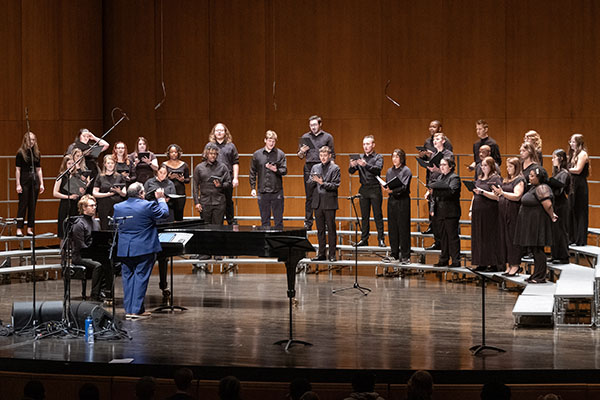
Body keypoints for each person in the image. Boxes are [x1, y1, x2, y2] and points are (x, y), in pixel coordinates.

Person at [113, 182, 169, 319]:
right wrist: (161, 199)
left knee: (128, 279)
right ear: (141, 194)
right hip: (144, 248)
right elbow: (164, 214)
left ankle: (130, 310)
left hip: (125, 249)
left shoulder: (118, 207)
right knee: (140, 278)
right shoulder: (147, 205)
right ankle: (136, 311)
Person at [514, 167, 557, 284]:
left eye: (532, 176)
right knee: (535, 249)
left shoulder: (542, 188)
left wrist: (552, 215)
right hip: (531, 223)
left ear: (539, 177)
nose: (529, 177)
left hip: (537, 223)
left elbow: (547, 204)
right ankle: (536, 274)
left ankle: (540, 276)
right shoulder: (535, 188)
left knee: (538, 250)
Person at [145, 164, 177, 300]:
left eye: (165, 173)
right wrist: (157, 198)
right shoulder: (149, 182)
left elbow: (175, 198)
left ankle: (164, 284)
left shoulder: (170, 183)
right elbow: (145, 197)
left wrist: (166, 199)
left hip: (166, 216)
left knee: (164, 254)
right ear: (156, 172)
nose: (162, 175)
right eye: (160, 172)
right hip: (153, 216)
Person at [298, 115, 335, 230]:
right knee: (309, 196)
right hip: (309, 167)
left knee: (323, 194)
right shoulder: (305, 137)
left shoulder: (327, 137)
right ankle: (308, 222)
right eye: (311, 125)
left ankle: (324, 222)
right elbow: (299, 156)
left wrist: (332, 169)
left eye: (315, 124)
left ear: (320, 124)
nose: (313, 127)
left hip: (323, 168)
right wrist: (302, 151)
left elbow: (332, 155)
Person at [71, 195, 110, 302]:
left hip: (91, 253)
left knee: (111, 263)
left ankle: (105, 291)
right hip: (80, 256)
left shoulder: (95, 222)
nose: (94, 207)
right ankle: (95, 295)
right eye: (91, 205)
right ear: (84, 208)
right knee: (98, 265)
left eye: (95, 205)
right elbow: (80, 246)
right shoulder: (79, 224)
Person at [492, 157, 525, 276]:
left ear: (516, 167)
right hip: (503, 212)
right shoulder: (507, 180)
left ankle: (515, 265)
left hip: (513, 213)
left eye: (511, 166)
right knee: (504, 238)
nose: (508, 169)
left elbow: (517, 196)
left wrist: (502, 193)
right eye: (507, 166)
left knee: (512, 239)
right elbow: (501, 195)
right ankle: (509, 264)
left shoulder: (519, 180)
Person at [349, 135, 384, 246]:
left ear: (373, 145)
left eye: (368, 144)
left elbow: (377, 170)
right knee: (364, 216)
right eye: (364, 144)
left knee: (377, 215)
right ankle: (364, 239)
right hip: (364, 189)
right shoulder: (359, 157)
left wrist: (366, 165)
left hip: (375, 188)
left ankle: (381, 239)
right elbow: (351, 171)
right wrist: (352, 165)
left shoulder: (378, 157)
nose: (366, 146)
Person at [470, 156, 503, 272]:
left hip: (490, 212)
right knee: (479, 236)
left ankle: (493, 263)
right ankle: (481, 262)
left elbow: (498, 197)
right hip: (478, 211)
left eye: (486, 165)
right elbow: (474, 195)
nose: (483, 168)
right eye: (482, 165)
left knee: (489, 237)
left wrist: (483, 192)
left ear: (491, 166)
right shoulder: (479, 178)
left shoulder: (496, 179)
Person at [418, 120, 451, 235]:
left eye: (434, 127)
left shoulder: (447, 145)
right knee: (431, 204)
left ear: (440, 128)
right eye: (430, 126)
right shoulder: (427, 142)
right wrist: (423, 157)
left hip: (442, 179)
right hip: (431, 176)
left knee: (440, 207)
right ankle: (433, 227)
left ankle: (441, 235)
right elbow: (428, 160)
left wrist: (437, 168)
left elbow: (449, 162)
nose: (431, 128)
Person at [249, 130, 287, 229]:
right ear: (265, 140)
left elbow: (284, 170)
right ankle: (266, 244)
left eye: (273, 141)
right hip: (263, 191)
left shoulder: (280, 154)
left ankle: (278, 243)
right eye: (270, 140)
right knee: (264, 221)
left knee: (278, 221)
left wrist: (276, 170)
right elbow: (252, 172)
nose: (271, 143)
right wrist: (253, 188)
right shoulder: (257, 154)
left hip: (277, 191)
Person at [427, 157, 461, 267]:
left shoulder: (454, 177)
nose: (441, 167)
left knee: (452, 237)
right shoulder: (439, 177)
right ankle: (444, 259)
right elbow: (434, 197)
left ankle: (456, 260)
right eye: (440, 165)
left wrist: (435, 191)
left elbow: (451, 192)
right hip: (440, 211)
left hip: (451, 212)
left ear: (450, 166)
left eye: (444, 165)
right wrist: (432, 209)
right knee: (443, 237)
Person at [310, 146, 340, 262]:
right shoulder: (315, 167)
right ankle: (321, 253)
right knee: (320, 230)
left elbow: (335, 185)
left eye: (325, 156)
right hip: (317, 203)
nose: (323, 158)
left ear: (329, 156)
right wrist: (313, 180)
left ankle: (332, 254)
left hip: (329, 202)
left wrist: (322, 183)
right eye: (321, 155)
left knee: (331, 229)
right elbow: (309, 182)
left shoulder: (335, 168)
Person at [382, 149, 412, 264]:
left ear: (402, 158)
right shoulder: (389, 171)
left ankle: (405, 255)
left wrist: (391, 191)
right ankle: (394, 253)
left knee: (403, 228)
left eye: (397, 156)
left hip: (402, 201)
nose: (394, 159)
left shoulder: (406, 170)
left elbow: (404, 187)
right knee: (392, 228)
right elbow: (388, 184)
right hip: (392, 201)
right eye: (393, 156)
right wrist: (385, 188)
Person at [424, 132, 453, 250]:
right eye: (434, 139)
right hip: (433, 187)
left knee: (443, 219)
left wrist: (438, 170)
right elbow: (431, 174)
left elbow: (450, 172)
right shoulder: (433, 154)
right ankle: (437, 242)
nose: (435, 141)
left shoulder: (448, 154)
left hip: (443, 187)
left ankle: (445, 245)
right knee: (434, 218)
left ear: (443, 141)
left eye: (437, 139)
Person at [193, 143, 232, 224]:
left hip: (219, 202)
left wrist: (221, 185)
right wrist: (196, 202)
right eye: (211, 153)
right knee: (205, 228)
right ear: (207, 154)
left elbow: (228, 183)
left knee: (218, 228)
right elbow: (195, 186)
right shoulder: (199, 168)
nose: (213, 156)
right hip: (205, 202)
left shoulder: (222, 167)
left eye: (215, 154)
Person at [15, 131, 45, 237]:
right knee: (23, 205)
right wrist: (18, 184)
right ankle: (19, 228)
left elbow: (39, 169)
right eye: (29, 139)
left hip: (34, 180)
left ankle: (29, 228)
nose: (31, 142)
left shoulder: (36, 153)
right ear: (25, 140)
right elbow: (18, 170)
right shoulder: (20, 153)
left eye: (33, 140)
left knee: (32, 205)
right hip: (24, 179)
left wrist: (41, 183)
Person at [209, 123, 240, 225]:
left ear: (225, 132)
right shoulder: (209, 146)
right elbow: (205, 162)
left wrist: (235, 178)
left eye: (221, 130)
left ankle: (231, 222)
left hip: (227, 178)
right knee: (216, 202)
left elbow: (235, 162)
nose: (219, 132)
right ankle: (218, 223)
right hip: (213, 178)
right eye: (217, 130)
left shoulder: (231, 146)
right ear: (214, 132)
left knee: (228, 200)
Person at [53, 155, 88, 239]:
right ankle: (64, 251)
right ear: (65, 164)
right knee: (64, 232)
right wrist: (69, 197)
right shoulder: (61, 176)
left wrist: (82, 191)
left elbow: (81, 193)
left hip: (75, 205)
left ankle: (74, 251)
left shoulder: (78, 176)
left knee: (75, 232)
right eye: (69, 163)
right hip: (65, 205)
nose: (71, 165)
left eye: (73, 163)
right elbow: (55, 193)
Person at [93, 155, 126, 230]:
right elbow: (95, 193)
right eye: (108, 163)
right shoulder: (100, 176)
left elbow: (124, 193)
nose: (110, 165)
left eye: (112, 163)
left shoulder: (119, 176)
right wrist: (107, 194)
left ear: (115, 164)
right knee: (104, 226)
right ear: (105, 164)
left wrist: (119, 191)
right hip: (104, 206)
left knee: (117, 227)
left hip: (117, 206)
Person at [549, 149, 571, 264]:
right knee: (554, 230)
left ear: (560, 159)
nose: (552, 160)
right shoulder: (557, 173)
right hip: (556, 203)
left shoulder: (564, 173)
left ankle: (564, 256)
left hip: (561, 204)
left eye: (554, 157)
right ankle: (555, 255)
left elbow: (560, 190)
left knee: (561, 230)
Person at [568, 133, 589, 246]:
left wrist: (565, 169)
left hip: (580, 185)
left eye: (573, 142)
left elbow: (578, 170)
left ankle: (580, 239)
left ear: (579, 143)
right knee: (572, 210)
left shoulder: (583, 154)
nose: (571, 144)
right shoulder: (574, 153)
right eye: (570, 141)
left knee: (580, 211)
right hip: (573, 184)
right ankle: (573, 237)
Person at [163, 144, 190, 221]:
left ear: (178, 153)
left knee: (179, 214)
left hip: (180, 193)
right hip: (168, 193)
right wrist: (168, 178)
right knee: (169, 215)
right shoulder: (164, 165)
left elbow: (188, 180)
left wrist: (183, 179)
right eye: (171, 152)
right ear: (168, 153)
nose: (174, 154)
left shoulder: (184, 165)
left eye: (175, 152)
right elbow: (161, 179)